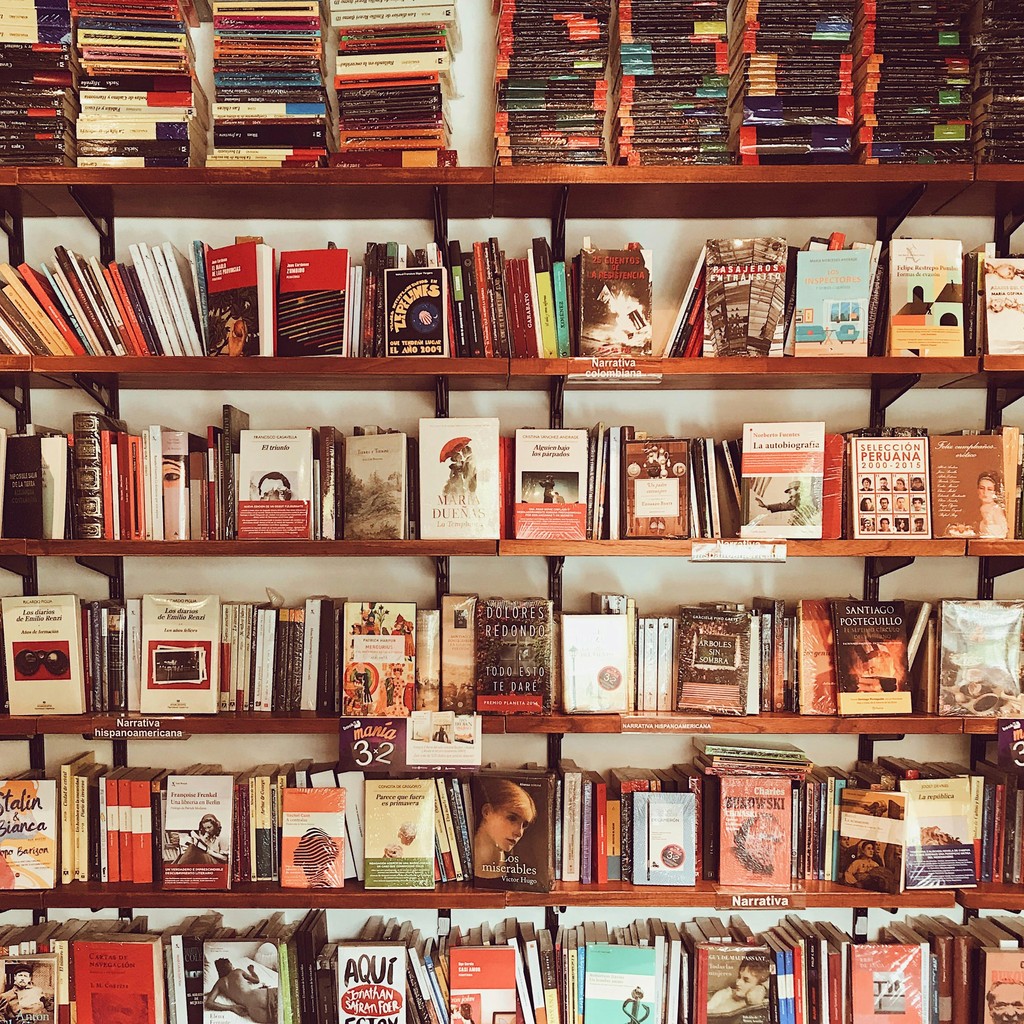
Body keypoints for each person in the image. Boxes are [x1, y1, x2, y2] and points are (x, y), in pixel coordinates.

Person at [473, 778, 536, 879]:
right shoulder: (460, 861)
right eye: (512, 818)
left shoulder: (523, 876)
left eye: (524, 825)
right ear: (487, 811)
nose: (519, 833)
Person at [205, 957, 277, 1024]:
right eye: (231, 964)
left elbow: (209, 1003)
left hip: (254, 1012)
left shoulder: (219, 983)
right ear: (229, 965)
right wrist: (252, 970)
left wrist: (231, 1007)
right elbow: (256, 981)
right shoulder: (237, 971)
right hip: (258, 997)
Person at [705, 956, 770, 1018]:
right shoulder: (724, 994)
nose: (738, 983)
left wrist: (762, 989)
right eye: (739, 977)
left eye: (746, 980)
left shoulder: (763, 1003)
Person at [977, 471, 1009, 539]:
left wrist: (988, 522)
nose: (985, 492)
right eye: (982, 488)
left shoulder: (996, 509)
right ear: (978, 490)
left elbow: (1002, 533)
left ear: (994, 492)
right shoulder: (979, 509)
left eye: (989, 489)